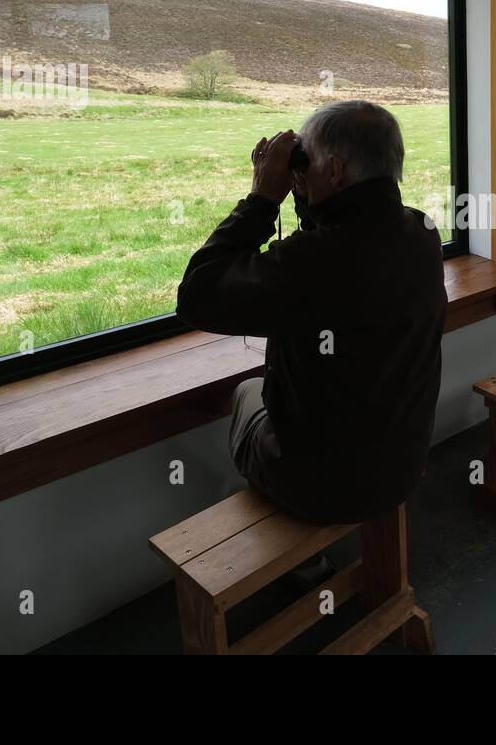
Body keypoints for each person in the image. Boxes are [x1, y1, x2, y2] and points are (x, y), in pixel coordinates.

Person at [176, 100, 447, 527]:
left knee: (247, 392)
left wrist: (262, 199)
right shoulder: (421, 231)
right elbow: (341, 250)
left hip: (322, 488)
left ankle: (292, 549)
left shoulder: (311, 264)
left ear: (334, 170)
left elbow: (195, 297)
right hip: (403, 466)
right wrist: (311, 195)